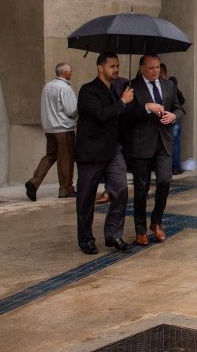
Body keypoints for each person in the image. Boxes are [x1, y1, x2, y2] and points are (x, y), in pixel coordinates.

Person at [75, 53, 134, 254]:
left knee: (120, 190)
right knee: (86, 198)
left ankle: (113, 234)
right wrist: (122, 103)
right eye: (112, 66)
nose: (116, 69)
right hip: (91, 152)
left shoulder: (118, 89)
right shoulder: (88, 90)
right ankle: (85, 239)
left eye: (117, 66)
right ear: (100, 68)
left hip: (113, 150)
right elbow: (101, 115)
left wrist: (127, 102)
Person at [126, 55, 182, 246]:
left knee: (165, 181)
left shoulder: (168, 85)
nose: (155, 71)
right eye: (151, 68)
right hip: (142, 143)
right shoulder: (132, 86)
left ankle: (156, 222)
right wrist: (147, 107)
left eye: (157, 67)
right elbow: (127, 114)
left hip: (164, 142)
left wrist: (174, 116)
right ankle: (140, 229)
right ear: (142, 68)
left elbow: (179, 107)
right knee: (141, 188)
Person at [26, 62, 79, 201]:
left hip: (49, 128)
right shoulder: (65, 88)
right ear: (65, 73)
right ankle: (66, 188)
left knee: (50, 156)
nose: (71, 73)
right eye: (70, 71)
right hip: (63, 128)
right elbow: (72, 110)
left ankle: (34, 182)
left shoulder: (47, 87)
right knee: (66, 159)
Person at [160, 63, 186, 175]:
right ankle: (174, 167)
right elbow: (182, 100)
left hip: (171, 116)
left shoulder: (170, 85)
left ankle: (174, 167)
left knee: (173, 143)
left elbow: (181, 101)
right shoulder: (169, 84)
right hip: (169, 116)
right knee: (173, 143)